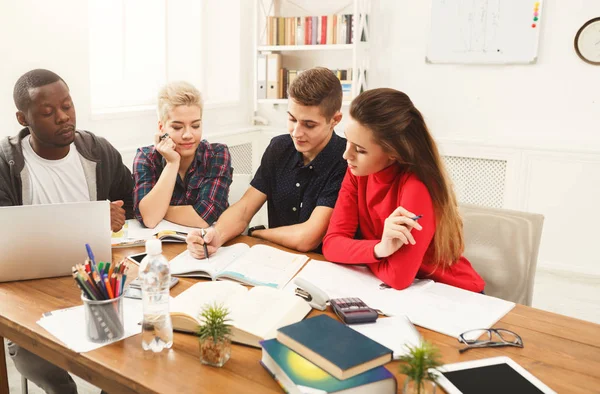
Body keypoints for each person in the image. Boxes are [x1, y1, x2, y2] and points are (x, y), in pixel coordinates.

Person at [0, 69, 134, 393]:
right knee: (36, 359)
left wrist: (117, 217)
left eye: (68, 106)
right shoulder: (5, 162)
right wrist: (94, 216)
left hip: (98, 283)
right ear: (23, 118)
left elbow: (130, 203)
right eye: (48, 112)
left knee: (135, 352)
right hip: (30, 293)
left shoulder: (98, 151)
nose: (63, 117)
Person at [322, 88, 485, 292]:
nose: (346, 155)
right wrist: (379, 249)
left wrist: (359, 252)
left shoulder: (418, 186)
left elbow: (398, 277)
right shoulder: (357, 174)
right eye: (347, 140)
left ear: (393, 153)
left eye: (360, 150)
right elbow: (331, 246)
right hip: (406, 291)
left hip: (454, 294)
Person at [186, 67, 347, 256]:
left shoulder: (345, 159)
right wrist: (217, 235)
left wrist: (257, 233)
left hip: (321, 265)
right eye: (292, 119)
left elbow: (308, 238)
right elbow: (245, 207)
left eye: (309, 125)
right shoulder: (279, 148)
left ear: (335, 120)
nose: (296, 132)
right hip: (274, 258)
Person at [133, 81, 232, 228]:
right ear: (161, 127)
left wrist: (158, 210)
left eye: (195, 126)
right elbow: (149, 219)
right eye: (177, 127)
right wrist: (172, 164)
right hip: (165, 246)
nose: (188, 135)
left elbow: (204, 217)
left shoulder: (217, 154)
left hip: (209, 245)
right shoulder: (146, 157)